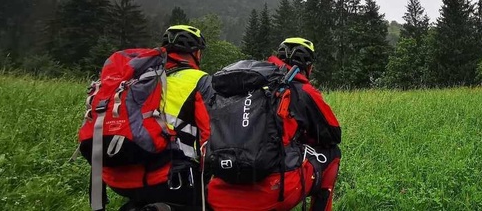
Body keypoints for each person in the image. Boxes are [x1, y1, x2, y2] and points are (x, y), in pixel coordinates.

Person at [208, 37, 342, 211]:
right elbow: (333, 134)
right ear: (308, 66)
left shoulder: (251, 82)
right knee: (333, 154)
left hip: (218, 191)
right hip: (271, 192)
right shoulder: (301, 89)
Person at [105, 25, 215, 211]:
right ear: (196, 53)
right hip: (172, 176)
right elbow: (209, 136)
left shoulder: (140, 78)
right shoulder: (200, 80)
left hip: (120, 174)